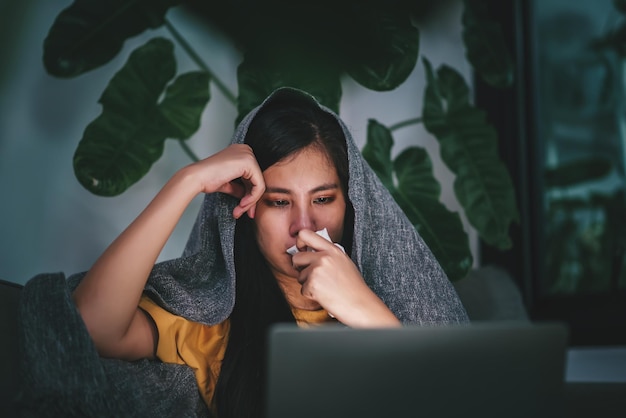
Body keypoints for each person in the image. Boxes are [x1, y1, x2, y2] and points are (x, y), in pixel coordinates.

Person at [20, 88, 468, 418]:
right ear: (247, 208)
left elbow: (460, 403)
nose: (304, 225)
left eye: (324, 199)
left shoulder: (393, 307)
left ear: (354, 206)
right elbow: (88, 328)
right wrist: (188, 182)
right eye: (278, 201)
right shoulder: (213, 326)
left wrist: (367, 310)